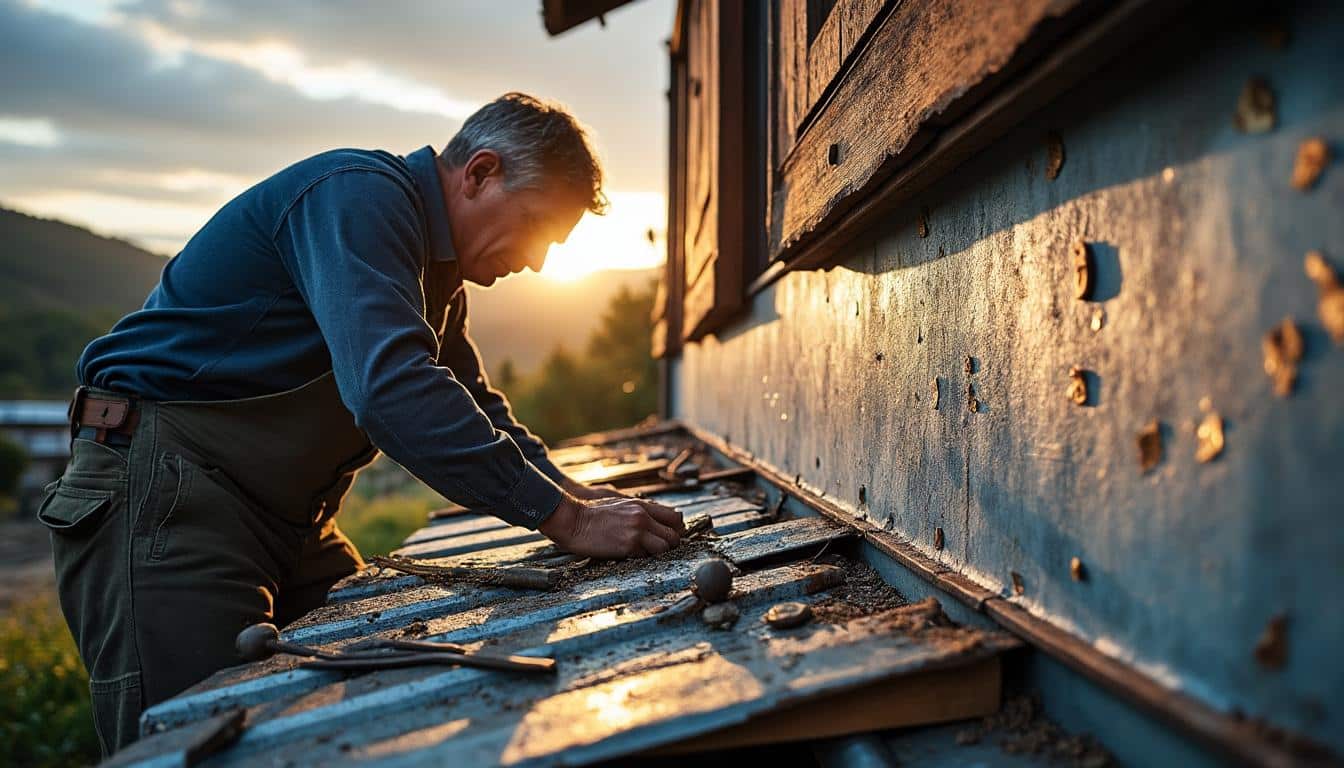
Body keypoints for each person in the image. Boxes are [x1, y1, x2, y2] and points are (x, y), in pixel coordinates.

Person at [39, 92, 684, 756]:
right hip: (168, 494)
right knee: (195, 740)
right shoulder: (360, 198)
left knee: (372, 674)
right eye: (535, 225)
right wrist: (567, 520)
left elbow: (475, 403)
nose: (540, 262)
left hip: (285, 519)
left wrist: (576, 495)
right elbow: (392, 391)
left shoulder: (436, 278)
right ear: (481, 172)